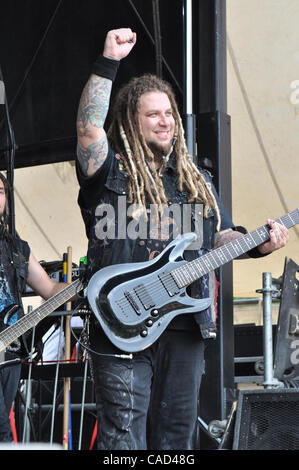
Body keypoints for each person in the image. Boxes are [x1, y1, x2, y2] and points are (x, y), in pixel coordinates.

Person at [75, 28, 289, 450]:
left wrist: (257, 242)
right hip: (120, 321)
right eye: (153, 114)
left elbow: (219, 236)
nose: (166, 120)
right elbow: (87, 129)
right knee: (123, 439)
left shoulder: (197, 181)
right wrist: (107, 61)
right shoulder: (111, 171)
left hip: (184, 323)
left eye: (169, 113)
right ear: (132, 122)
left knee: (177, 440)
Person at [0, 172, 67, 442]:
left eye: (0, 191)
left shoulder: (17, 249)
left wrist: (85, 287)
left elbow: (50, 290)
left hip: (10, 354)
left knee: (3, 425)